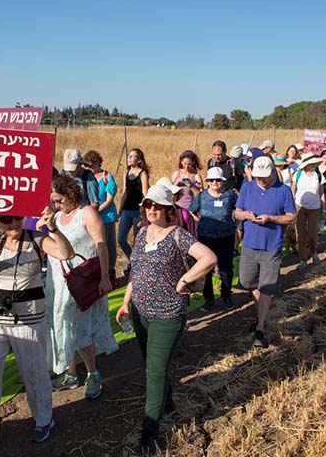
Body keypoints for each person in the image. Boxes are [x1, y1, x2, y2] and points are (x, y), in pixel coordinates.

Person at [0, 210, 75, 454]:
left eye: (17, 217)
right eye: (6, 219)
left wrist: (53, 229)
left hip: (28, 320)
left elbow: (67, 254)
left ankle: (44, 420)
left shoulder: (36, 239)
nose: (12, 223)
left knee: (34, 372)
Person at [116, 185, 216, 456]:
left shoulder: (177, 235)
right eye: (148, 204)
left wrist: (184, 280)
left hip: (168, 314)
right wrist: (125, 302)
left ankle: (149, 432)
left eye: (157, 205)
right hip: (140, 311)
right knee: (152, 364)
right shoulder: (141, 233)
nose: (152, 209)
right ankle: (166, 400)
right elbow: (136, 272)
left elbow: (209, 258)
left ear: (168, 210)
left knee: (154, 371)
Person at [47, 175, 118, 398]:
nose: (56, 204)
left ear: (70, 194)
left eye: (59, 200)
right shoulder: (55, 217)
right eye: (54, 201)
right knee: (64, 326)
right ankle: (70, 374)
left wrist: (105, 276)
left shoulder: (86, 213)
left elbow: (101, 245)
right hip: (59, 281)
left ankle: (92, 373)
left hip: (84, 281)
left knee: (82, 330)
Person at [234, 156, 297, 348]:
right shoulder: (247, 188)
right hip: (249, 245)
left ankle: (260, 328)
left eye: (264, 176)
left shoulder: (283, 190)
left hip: (271, 246)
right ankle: (261, 315)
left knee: (267, 288)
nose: (261, 180)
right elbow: (237, 212)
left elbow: (292, 217)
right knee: (248, 282)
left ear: (272, 173)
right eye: (258, 176)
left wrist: (271, 218)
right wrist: (246, 215)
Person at [189, 167, 237, 310]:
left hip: (226, 237)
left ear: (222, 181)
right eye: (211, 180)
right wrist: (200, 222)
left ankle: (226, 296)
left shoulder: (230, 195)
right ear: (207, 182)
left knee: (225, 269)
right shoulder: (201, 196)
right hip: (206, 238)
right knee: (206, 269)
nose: (214, 182)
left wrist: (235, 226)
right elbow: (191, 211)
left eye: (217, 180)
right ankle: (209, 299)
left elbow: (239, 210)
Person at [84, 150, 119, 277]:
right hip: (91, 218)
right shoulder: (87, 178)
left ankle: (110, 271)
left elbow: (109, 200)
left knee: (108, 246)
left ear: (99, 162)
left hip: (106, 218)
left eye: (93, 163)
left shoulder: (107, 177)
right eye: (88, 164)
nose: (91, 166)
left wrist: (94, 212)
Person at [118, 148, 150, 276]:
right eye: (129, 156)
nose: (130, 158)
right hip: (126, 210)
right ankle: (133, 262)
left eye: (133, 156)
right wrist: (119, 211)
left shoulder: (142, 173)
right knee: (121, 239)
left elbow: (145, 194)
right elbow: (125, 193)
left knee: (137, 241)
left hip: (138, 211)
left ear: (139, 160)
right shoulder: (126, 172)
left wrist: (143, 213)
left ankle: (137, 267)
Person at [291, 153, 326, 269]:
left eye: (314, 164)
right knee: (300, 234)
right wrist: (291, 206)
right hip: (299, 207)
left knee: (312, 233)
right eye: (311, 164)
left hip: (314, 208)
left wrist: (324, 208)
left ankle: (314, 252)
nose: (313, 166)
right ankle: (303, 259)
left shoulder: (318, 175)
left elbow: (321, 193)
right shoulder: (298, 174)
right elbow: (293, 190)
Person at [171, 150, 203, 238]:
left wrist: (191, 186)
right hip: (176, 208)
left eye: (189, 164)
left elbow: (200, 194)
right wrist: (176, 184)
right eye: (184, 164)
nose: (186, 166)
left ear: (193, 162)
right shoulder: (176, 174)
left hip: (189, 209)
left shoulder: (196, 176)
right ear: (181, 162)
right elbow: (170, 191)